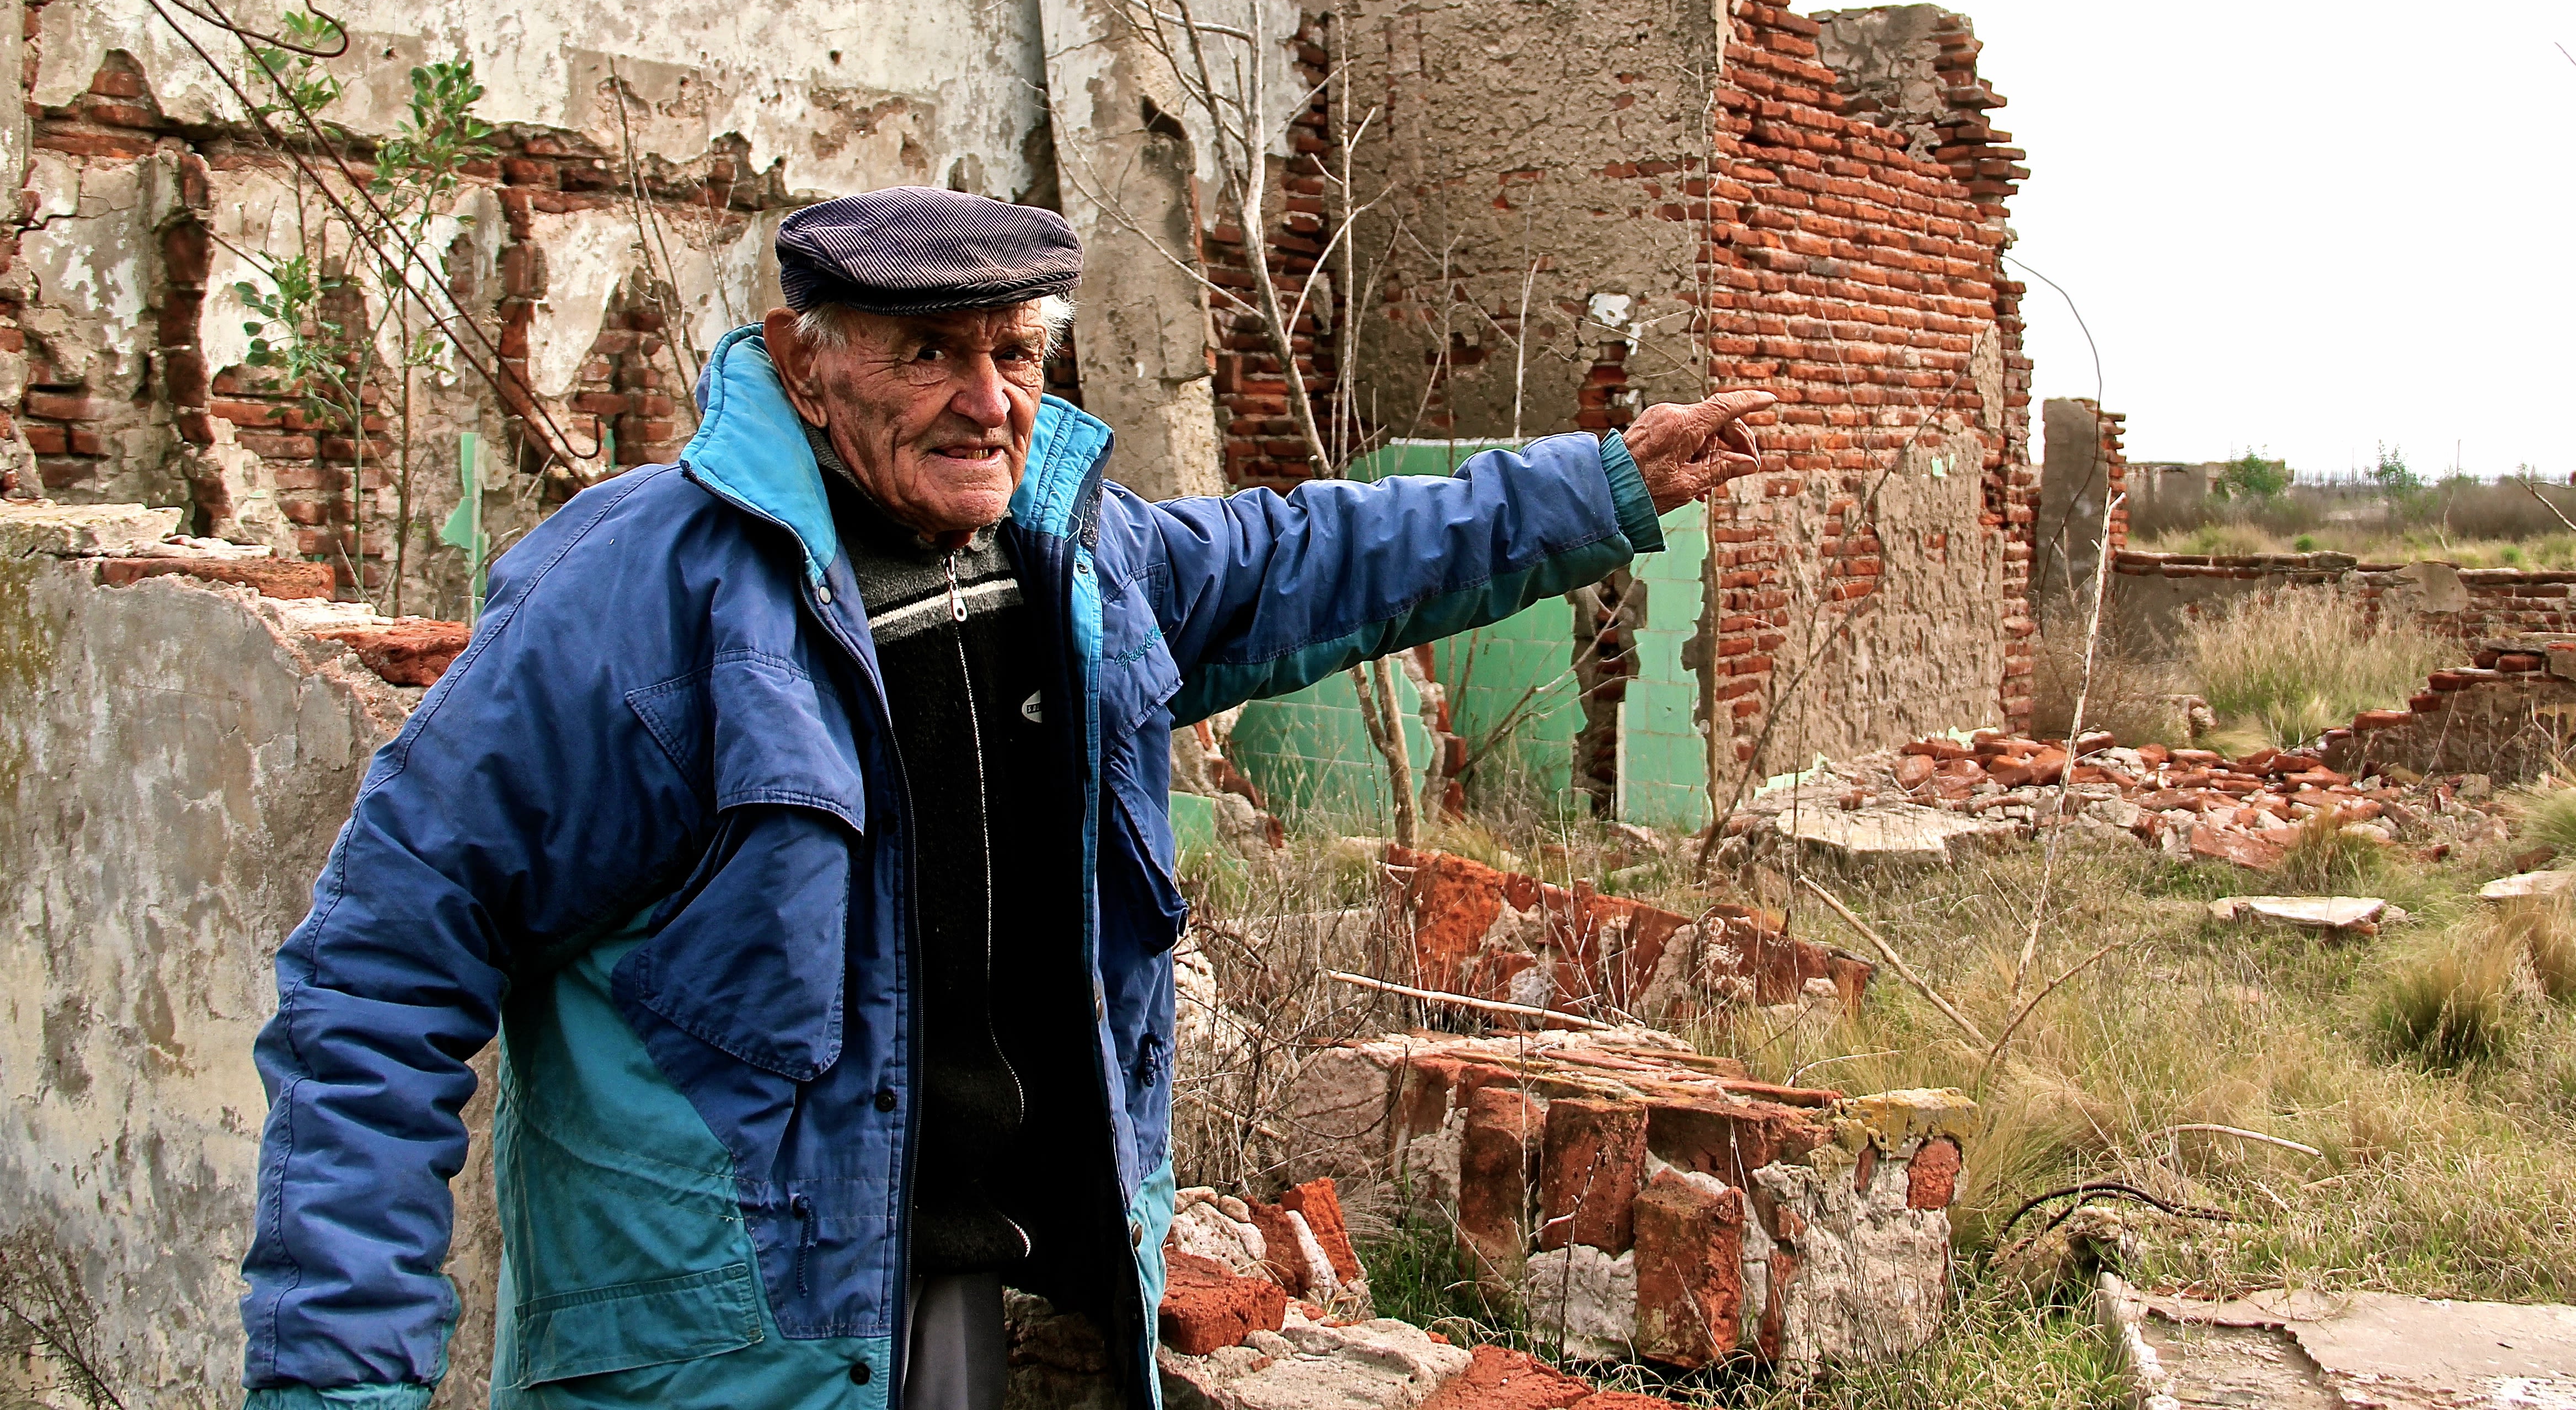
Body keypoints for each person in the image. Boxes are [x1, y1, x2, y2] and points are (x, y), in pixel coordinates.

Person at [237, 186, 1772, 1410]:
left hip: (995, 1305)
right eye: (931, 353)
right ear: (804, 361)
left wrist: (1602, 486)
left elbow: (1310, 558)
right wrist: (337, 1372)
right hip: (726, 1348)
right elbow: (381, 964)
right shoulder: (635, 600)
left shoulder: (1070, 558)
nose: (989, 400)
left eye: (1017, 352)